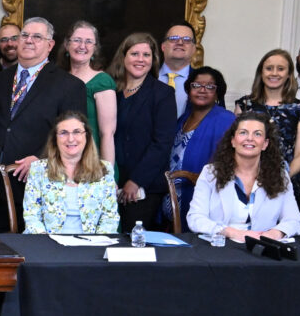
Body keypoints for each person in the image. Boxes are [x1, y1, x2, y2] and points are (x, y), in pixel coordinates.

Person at [0, 17, 87, 231]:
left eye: (37, 37)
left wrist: (42, 159)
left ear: (50, 45)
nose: (29, 40)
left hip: (41, 183)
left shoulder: (70, 86)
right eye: (24, 35)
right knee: (3, 253)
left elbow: (75, 138)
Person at [187, 112, 300, 240]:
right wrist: (230, 232)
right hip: (221, 248)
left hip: (262, 249)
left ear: (265, 144)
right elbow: (195, 218)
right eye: (243, 132)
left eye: (257, 134)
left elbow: (295, 221)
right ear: (233, 141)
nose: (250, 138)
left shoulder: (280, 175)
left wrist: (274, 234)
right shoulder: (210, 173)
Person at [111, 32, 177, 230]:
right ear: (123, 57)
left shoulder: (163, 94)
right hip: (111, 180)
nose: (140, 59)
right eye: (134, 54)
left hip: (144, 186)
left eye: (146, 55)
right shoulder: (111, 91)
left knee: (132, 244)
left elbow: (162, 143)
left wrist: (136, 180)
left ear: (153, 60)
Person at [22, 111, 118, 234]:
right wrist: (47, 244)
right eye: (63, 133)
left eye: (77, 132)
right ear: (55, 139)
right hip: (48, 246)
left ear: (87, 137)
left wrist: (95, 245)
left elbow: (109, 219)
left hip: (92, 247)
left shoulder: (105, 169)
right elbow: (32, 216)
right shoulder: (38, 169)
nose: (71, 138)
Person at [163, 66, 235, 228]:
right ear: (188, 89)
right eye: (196, 85)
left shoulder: (226, 120)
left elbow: (230, 166)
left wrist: (193, 176)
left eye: (210, 86)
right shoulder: (184, 118)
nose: (203, 90)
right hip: (172, 197)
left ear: (218, 92)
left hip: (200, 202)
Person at [234, 49, 300, 176]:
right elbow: (236, 145)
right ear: (261, 72)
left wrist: (284, 179)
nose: (274, 73)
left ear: (289, 74)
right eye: (269, 68)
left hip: (286, 180)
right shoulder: (244, 105)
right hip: (246, 177)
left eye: (281, 69)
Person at [60, 21, 116, 168]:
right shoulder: (57, 79)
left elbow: (107, 134)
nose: (82, 46)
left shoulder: (102, 81)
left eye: (89, 42)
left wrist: (106, 174)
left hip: (93, 164)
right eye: (77, 40)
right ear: (66, 44)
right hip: (61, 163)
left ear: (95, 48)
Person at [157, 22, 196, 119]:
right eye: (173, 38)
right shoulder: (146, 77)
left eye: (187, 40)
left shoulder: (205, 82)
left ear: (194, 49)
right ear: (163, 46)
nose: (180, 43)